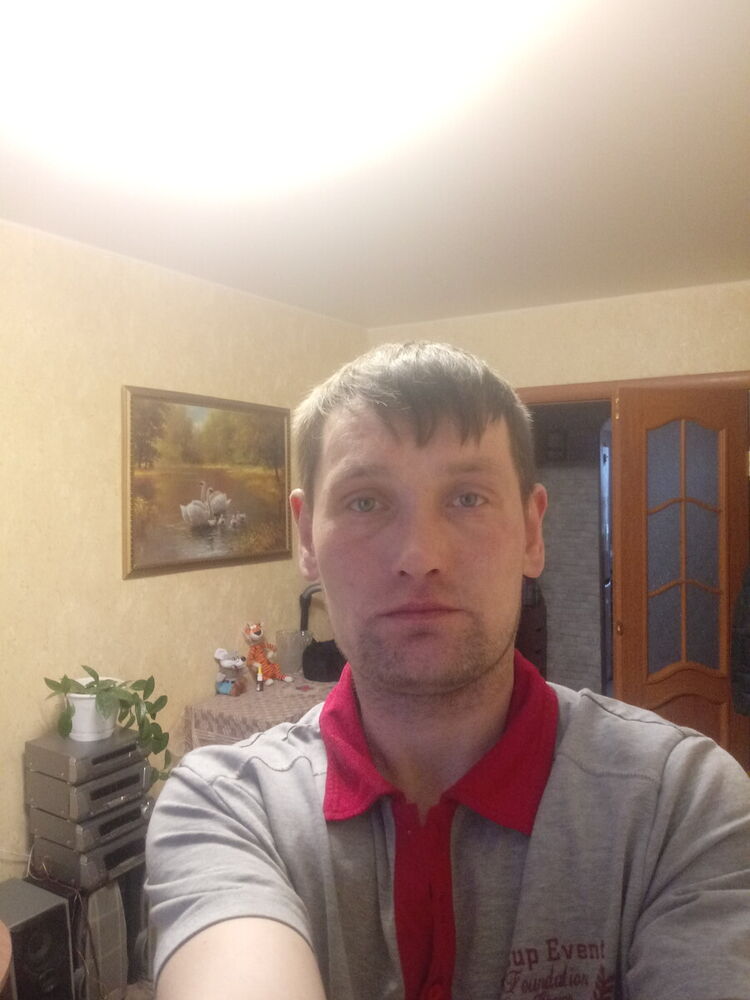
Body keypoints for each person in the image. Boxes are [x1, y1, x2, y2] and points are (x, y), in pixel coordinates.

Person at [146, 342, 750, 1000]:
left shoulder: (681, 802)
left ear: (532, 532)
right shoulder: (226, 805)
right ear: (307, 538)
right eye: (365, 502)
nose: (420, 556)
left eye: (467, 497)